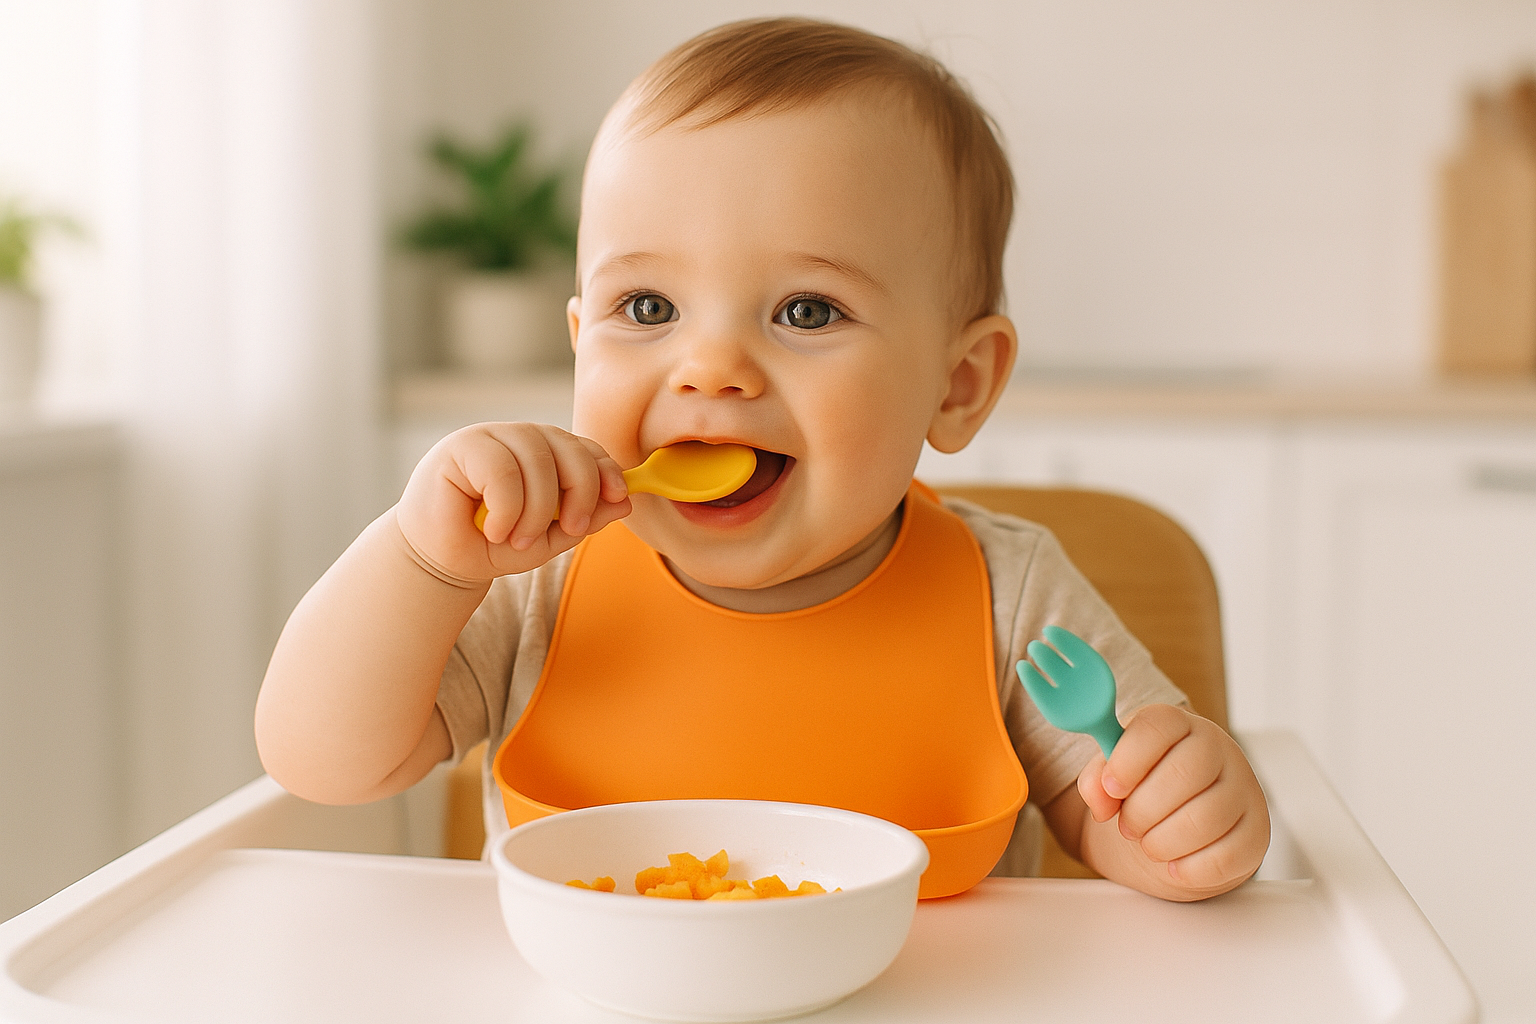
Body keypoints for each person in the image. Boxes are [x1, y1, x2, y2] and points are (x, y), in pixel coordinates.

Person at [255, 17, 1269, 902]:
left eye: (807, 311)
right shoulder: (537, 579)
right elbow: (321, 762)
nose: (709, 366)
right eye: (646, 306)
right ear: (578, 342)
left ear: (957, 385)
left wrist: (1182, 823)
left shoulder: (1013, 599)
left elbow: (1121, 811)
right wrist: (425, 561)